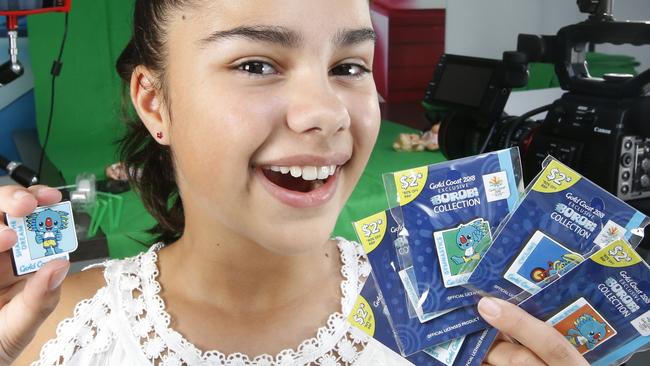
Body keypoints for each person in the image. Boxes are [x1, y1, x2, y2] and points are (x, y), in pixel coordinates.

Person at [0, 1, 590, 365]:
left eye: (349, 67)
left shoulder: (472, 328)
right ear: (155, 103)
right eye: (256, 64)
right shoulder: (48, 329)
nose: (329, 112)